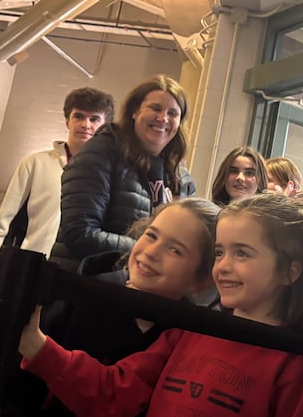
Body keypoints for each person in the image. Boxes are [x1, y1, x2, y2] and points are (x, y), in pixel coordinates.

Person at [15, 193, 303, 417]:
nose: (224, 266)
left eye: (242, 253)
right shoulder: (188, 333)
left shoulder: (293, 367)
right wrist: (37, 346)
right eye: (219, 253)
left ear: (289, 271)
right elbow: (113, 393)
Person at [0, 197, 220, 417]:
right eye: (151, 234)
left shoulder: (187, 339)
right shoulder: (80, 300)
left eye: (175, 250)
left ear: (202, 279)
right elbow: (9, 387)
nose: (151, 252)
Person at [52, 75, 196, 271]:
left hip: (137, 290)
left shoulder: (181, 176)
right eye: (155, 108)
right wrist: (152, 252)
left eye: (173, 113)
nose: (163, 118)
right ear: (134, 112)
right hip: (83, 286)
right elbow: (80, 234)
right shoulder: (101, 152)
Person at [0, 87, 115, 257]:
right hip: (32, 263)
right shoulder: (35, 163)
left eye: (94, 119)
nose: (86, 124)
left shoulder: (109, 174)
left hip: (75, 270)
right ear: (68, 121)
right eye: (79, 116)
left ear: (104, 128)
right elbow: (4, 220)